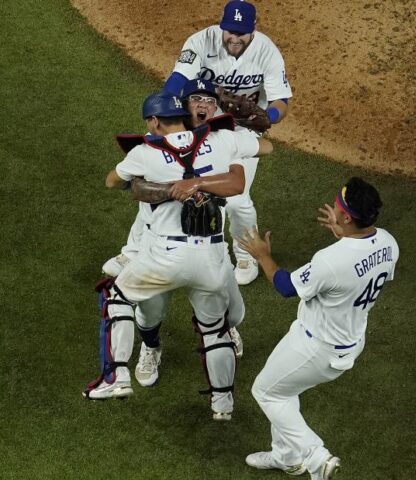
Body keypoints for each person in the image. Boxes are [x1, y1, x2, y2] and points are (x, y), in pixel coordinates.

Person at [84, 92, 273, 422]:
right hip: (212, 256)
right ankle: (223, 404)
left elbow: (111, 181)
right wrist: (203, 176)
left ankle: (116, 376)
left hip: (165, 255)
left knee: (116, 296)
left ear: (154, 121)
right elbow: (260, 155)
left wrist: (151, 181)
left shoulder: (145, 152)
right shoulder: (223, 139)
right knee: (215, 329)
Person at [102, 0, 292, 285]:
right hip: (198, 122)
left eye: (241, 33)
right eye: (230, 31)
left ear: (254, 28)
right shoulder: (200, 42)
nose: (234, 38)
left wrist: (267, 116)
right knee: (158, 185)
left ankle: (245, 254)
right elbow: (177, 80)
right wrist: (166, 116)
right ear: (221, 25)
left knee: (237, 201)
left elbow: (281, 101)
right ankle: (134, 250)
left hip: (240, 127)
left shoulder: (268, 52)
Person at [237, 177, 399, 479]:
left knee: (266, 392)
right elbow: (358, 260)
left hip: (315, 348)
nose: (333, 207)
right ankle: (287, 458)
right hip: (350, 340)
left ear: (347, 218)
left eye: (337, 206)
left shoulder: (330, 261)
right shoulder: (389, 243)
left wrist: (262, 255)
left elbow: (286, 287)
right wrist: (344, 235)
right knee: (285, 390)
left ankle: (315, 457)